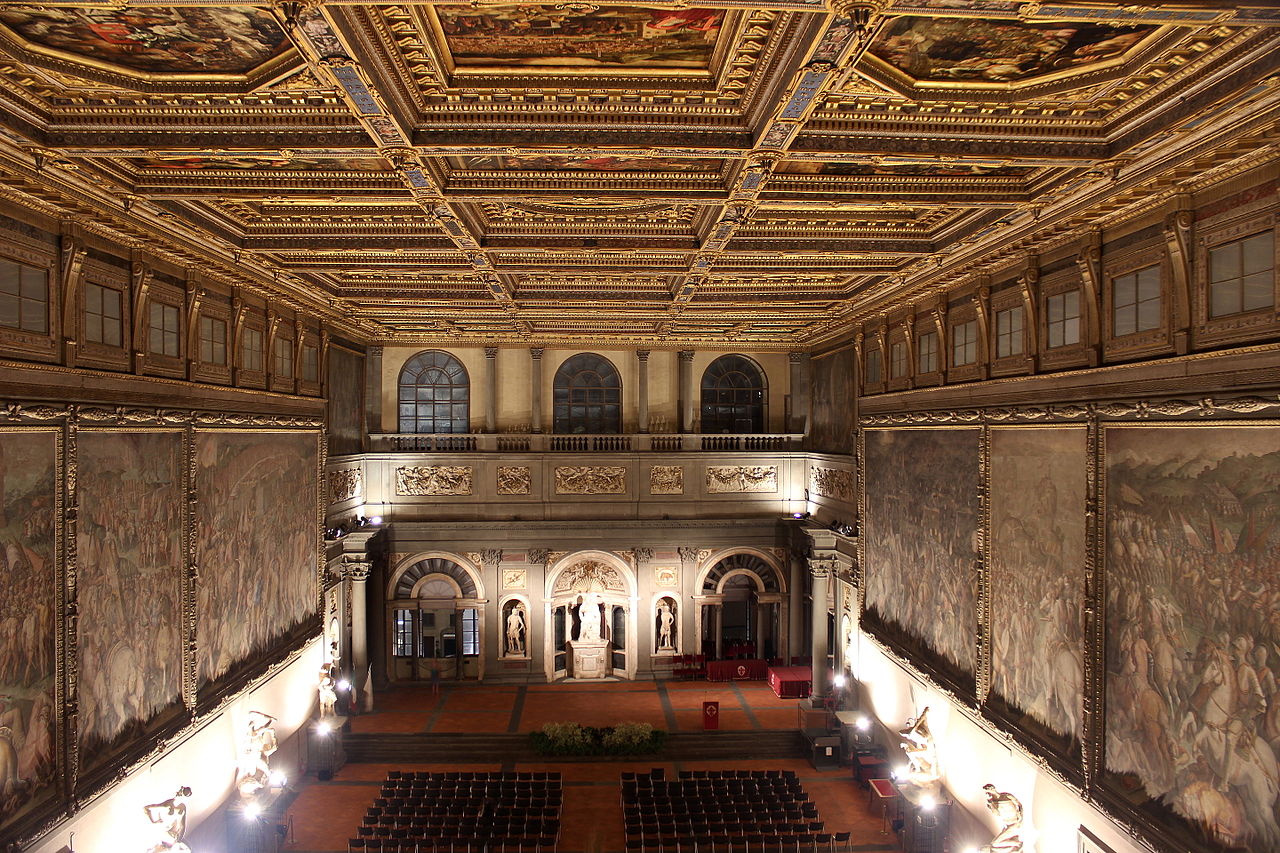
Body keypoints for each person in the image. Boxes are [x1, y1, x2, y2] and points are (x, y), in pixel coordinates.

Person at [144, 785, 192, 852]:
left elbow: (183, 826)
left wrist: (178, 840)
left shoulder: (182, 807)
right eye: (184, 792)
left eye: (186, 794)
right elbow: (146, 808)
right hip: (164, 834)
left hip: (172, 837)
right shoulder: (168, 805)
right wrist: (153, 821)